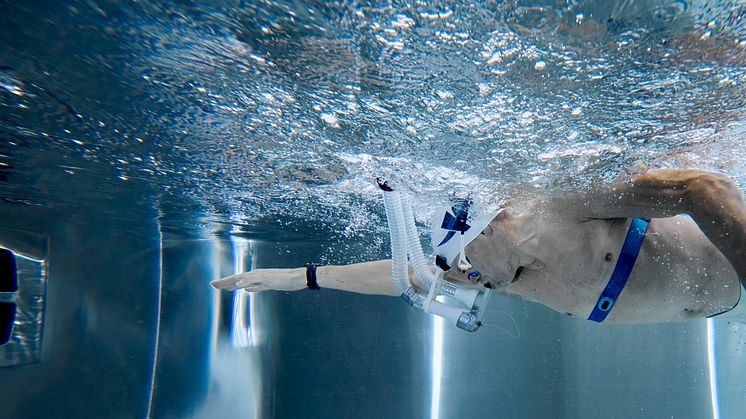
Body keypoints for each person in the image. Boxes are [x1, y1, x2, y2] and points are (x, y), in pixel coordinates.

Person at [211, 169, 746, 324]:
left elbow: (704, 190)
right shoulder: (499, 270)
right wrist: (300, 278)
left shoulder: (559, 205)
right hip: (717, 304)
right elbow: (413, 276)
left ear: (493, 226)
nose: (466, 277)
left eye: (463, 259)